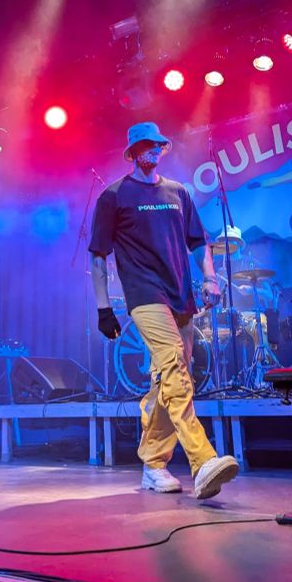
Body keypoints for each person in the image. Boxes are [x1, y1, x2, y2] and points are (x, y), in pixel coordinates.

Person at [89, 122, 239, 499]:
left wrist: (210, 278)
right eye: (145, 145)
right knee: (172, 363)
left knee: (170, 377)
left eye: (158, 144)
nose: (153, 150)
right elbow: (98, 256)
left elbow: (198, 241)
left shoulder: (178, 192)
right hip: (143, 294)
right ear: (132, 152)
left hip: (180, 293)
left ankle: (153, 465)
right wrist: (104, 308)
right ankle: (202, 459)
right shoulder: (114, 196)